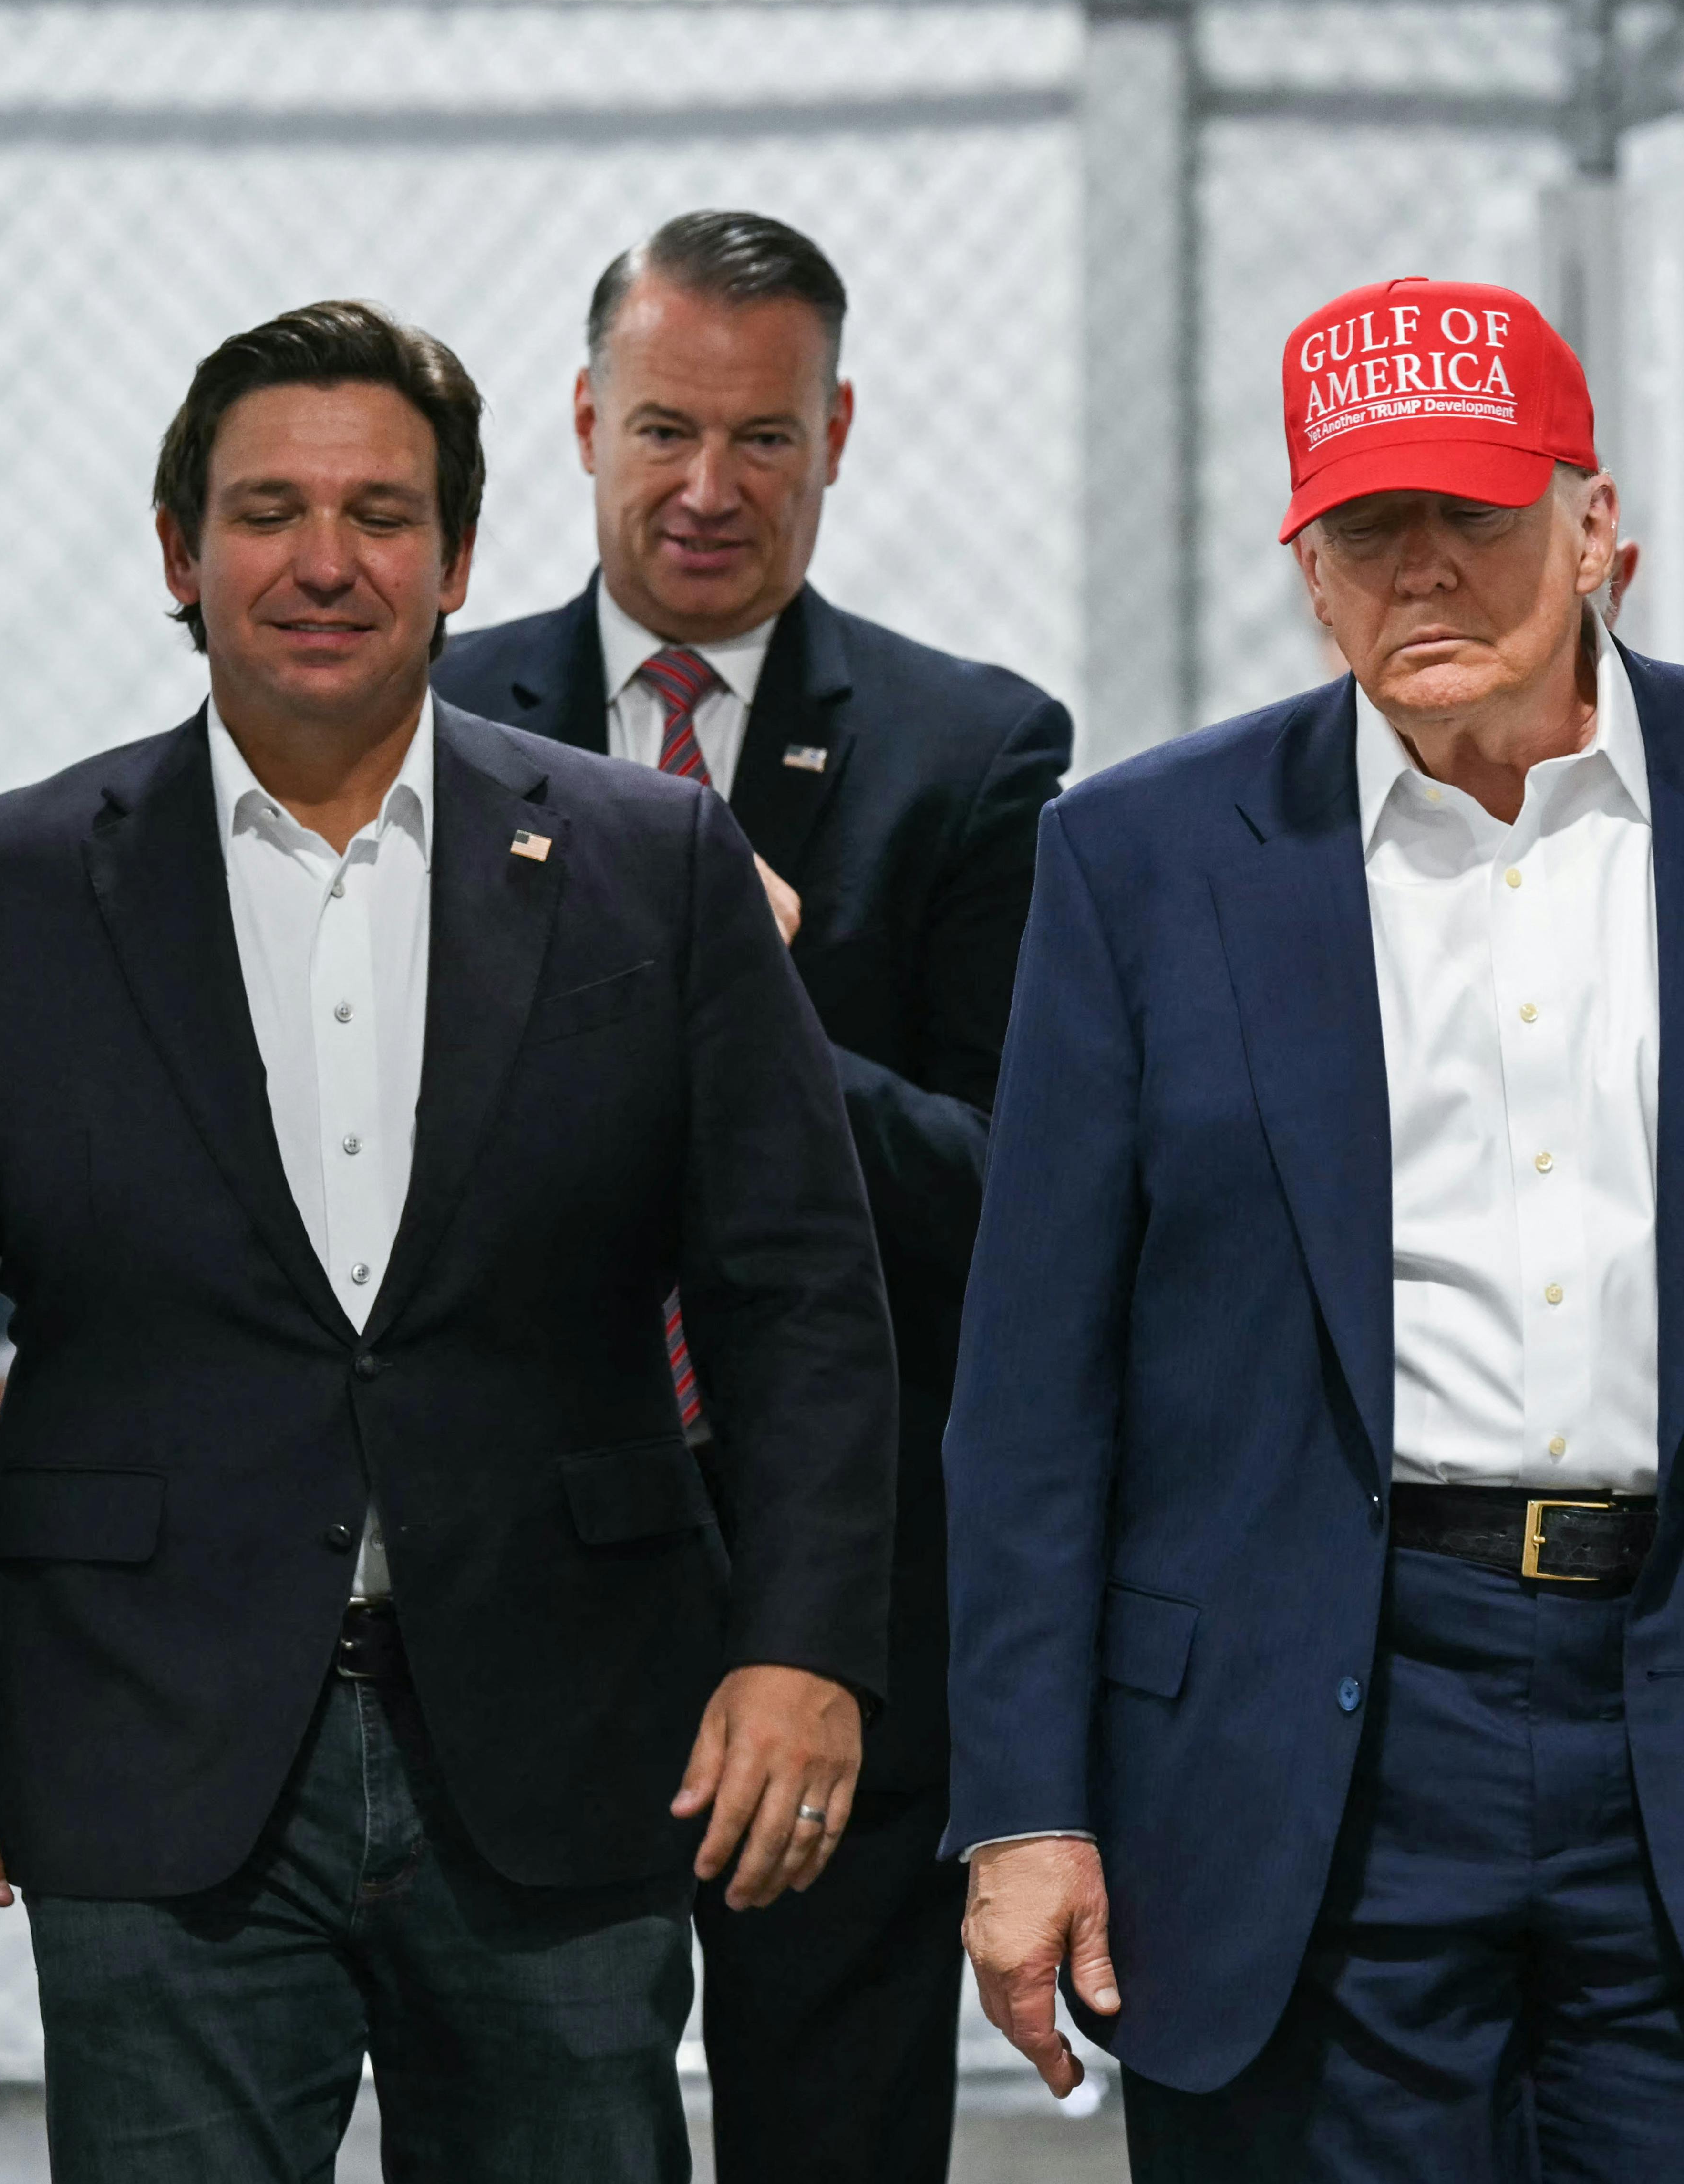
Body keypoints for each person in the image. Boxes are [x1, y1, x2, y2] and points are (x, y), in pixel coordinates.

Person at [946, 275, 1684, 2181]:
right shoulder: (1141, 862)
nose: (1422, 573)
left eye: (1473, 513)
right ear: (1307, 568)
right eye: (1367, 529)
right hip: (1310, 1737)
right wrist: (1023, 1807)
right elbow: (1033, 1390)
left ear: (1594, 520)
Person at [0, 299, 900, 2184]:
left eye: (382, 513)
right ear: (179, 548)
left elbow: (801, 1300)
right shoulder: (1, 889)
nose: (325, 560)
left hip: (566, 1739)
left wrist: (802, 1646)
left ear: (461, 556)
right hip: (155, 1741)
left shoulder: (657, 865)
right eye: (267, 509)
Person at [437, 208, 1072, 2184]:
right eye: (661, 430)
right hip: (516, 1577)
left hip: (838, 1576)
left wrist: (746, 973)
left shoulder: (970, 753)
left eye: (764, 438)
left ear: (837, 430)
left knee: (837, 2128)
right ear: (580, 421)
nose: (708, 489)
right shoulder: (430, 718)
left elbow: (1009, 1194)